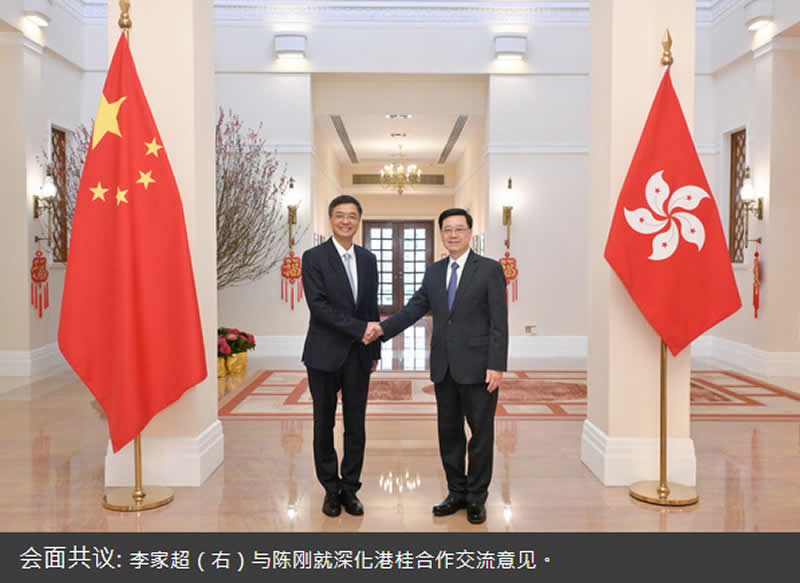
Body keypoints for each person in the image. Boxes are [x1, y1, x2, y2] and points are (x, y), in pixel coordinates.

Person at [363, 208, 508, 524]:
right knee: (449, 434)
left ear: (470, 232)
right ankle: (456, 492)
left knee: (481, 435)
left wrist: (496, 365)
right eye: (447, 229)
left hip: (479, 368)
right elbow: (413, 309)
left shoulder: (489, 270)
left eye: (459, 229)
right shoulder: (433, 272)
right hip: (444, 368)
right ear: (441, 234)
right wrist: (381, 329)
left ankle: (476, 497)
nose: (453, 235)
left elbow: (500, 321)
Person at [301, 195, 380, 517]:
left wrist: (374, 349)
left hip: (359, 355)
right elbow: (318, 306)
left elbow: (371, 306)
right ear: (331, 219)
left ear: (358, 220)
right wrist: (359, 329)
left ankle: (350, 488)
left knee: (355, 425)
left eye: (351, 216)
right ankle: (330, 489)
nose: (346, 221)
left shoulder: (368, 259)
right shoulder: (313, 257)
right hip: (323, 353)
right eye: (339, 215)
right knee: (324, 423)